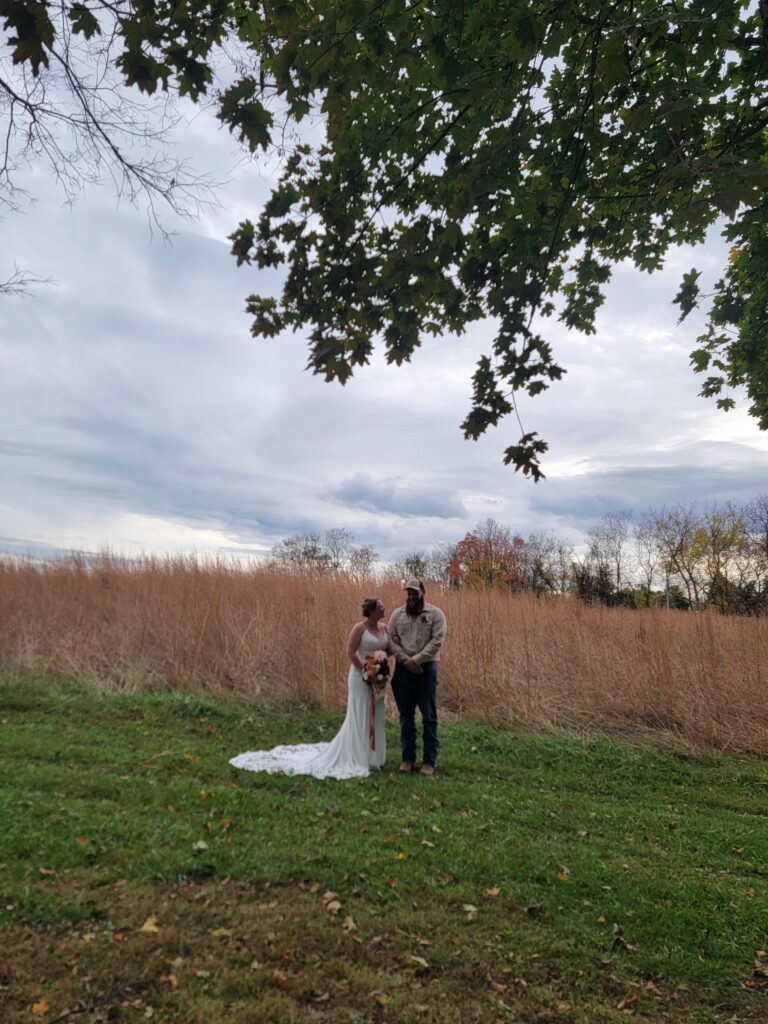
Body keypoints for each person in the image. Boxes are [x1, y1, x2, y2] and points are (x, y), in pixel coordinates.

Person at [229, 598, 391, 780]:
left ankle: (374, 757)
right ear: (372, 611)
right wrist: (364, 670)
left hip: (378, 677)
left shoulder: (385, 629)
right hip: (360, 676)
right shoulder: (359, 628)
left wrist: (381, 662)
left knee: (376, 711)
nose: (384, 608)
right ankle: (358, 756)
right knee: (361, 712)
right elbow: (351, 652)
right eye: (380, 606)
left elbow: (389, 649)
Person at [388, 578, 447, 777]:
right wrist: (406, 660)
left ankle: (429, 761)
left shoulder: (435, 614)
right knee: (405, 716)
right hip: (403, 670)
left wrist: (418, 660)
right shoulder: (397, 614)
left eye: (415, 592)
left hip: (426, 670)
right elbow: (390, 639)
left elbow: (437, 641)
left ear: (423, 592)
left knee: (429, 716)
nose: (411, 596)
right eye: (409, 593)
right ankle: (407, 758)